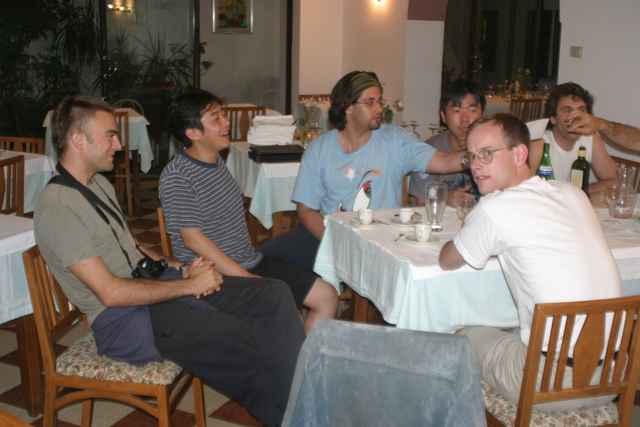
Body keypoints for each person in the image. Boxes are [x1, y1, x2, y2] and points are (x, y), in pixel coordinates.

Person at [34, 95, 305, 426]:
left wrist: (178, 267)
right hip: (123, 321)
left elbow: (131, 246)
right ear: (78, 140)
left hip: (153, 289)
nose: (119, 144)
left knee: (273, 295)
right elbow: (112, 294)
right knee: (240, 337)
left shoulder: (97, 184)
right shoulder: (59, 207)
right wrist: (188, 286)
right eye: (110, 135)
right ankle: (292, 415)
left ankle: (300, 398)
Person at [439, 114, 621, 411]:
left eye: (487, 153)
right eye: (471, 156)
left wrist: (467, 230)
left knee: (453, 331)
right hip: (612, 378)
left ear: (520, 154)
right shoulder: (573, 193)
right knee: (513, 327)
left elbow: (447, 260)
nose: (476, 165)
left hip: (548, 384)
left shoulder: (495, 208)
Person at [159, 89, 338, 333]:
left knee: (326, 296)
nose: (226, 123)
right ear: (193, 133)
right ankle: (290, 353)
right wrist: (247, 278)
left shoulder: (216, 162)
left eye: (223, 115)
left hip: (248, 260)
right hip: (213, 276)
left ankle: (305, 358)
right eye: (216, 119)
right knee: (283, 306)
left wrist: (250, 271)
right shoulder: (177, 176)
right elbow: (193, 240)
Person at [260, 70, 468, 271]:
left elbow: (443, 162)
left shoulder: (395, 141)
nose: (379, 109)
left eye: (380, 101)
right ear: (348, 107)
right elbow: (306, 210)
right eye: (370, 102)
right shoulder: (319, 148)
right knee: (261, 258)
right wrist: (335, 244)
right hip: (329, 236)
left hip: (380, 243)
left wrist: (478, 156)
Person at [529, 82, 617, 196]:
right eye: (567, 110)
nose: (575, 116)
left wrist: (580, 192)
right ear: (553, 118)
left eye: (581, 110)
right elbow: (524, 190)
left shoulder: (591, 138)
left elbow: (612, 180)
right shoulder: (539, 143)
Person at [408, 78, 484, 207]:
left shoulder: (495, 149)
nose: (465, 119)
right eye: (457, 110)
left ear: (482, 114)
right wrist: (445, 198)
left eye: (472, 110)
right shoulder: (430, 151)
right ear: (443, 116)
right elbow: (417, 202)